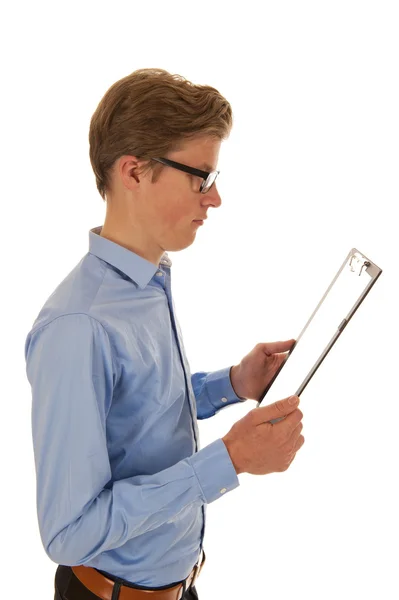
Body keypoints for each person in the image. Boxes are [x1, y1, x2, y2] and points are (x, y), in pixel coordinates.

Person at [24, 68, 305, 600]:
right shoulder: (76, 327)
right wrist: (230, 460)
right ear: (133, 172)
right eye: (201, 177)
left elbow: (138, 418)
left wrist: (233, 383)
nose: (214, 199)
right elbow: (68, 532)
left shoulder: (150, 280)